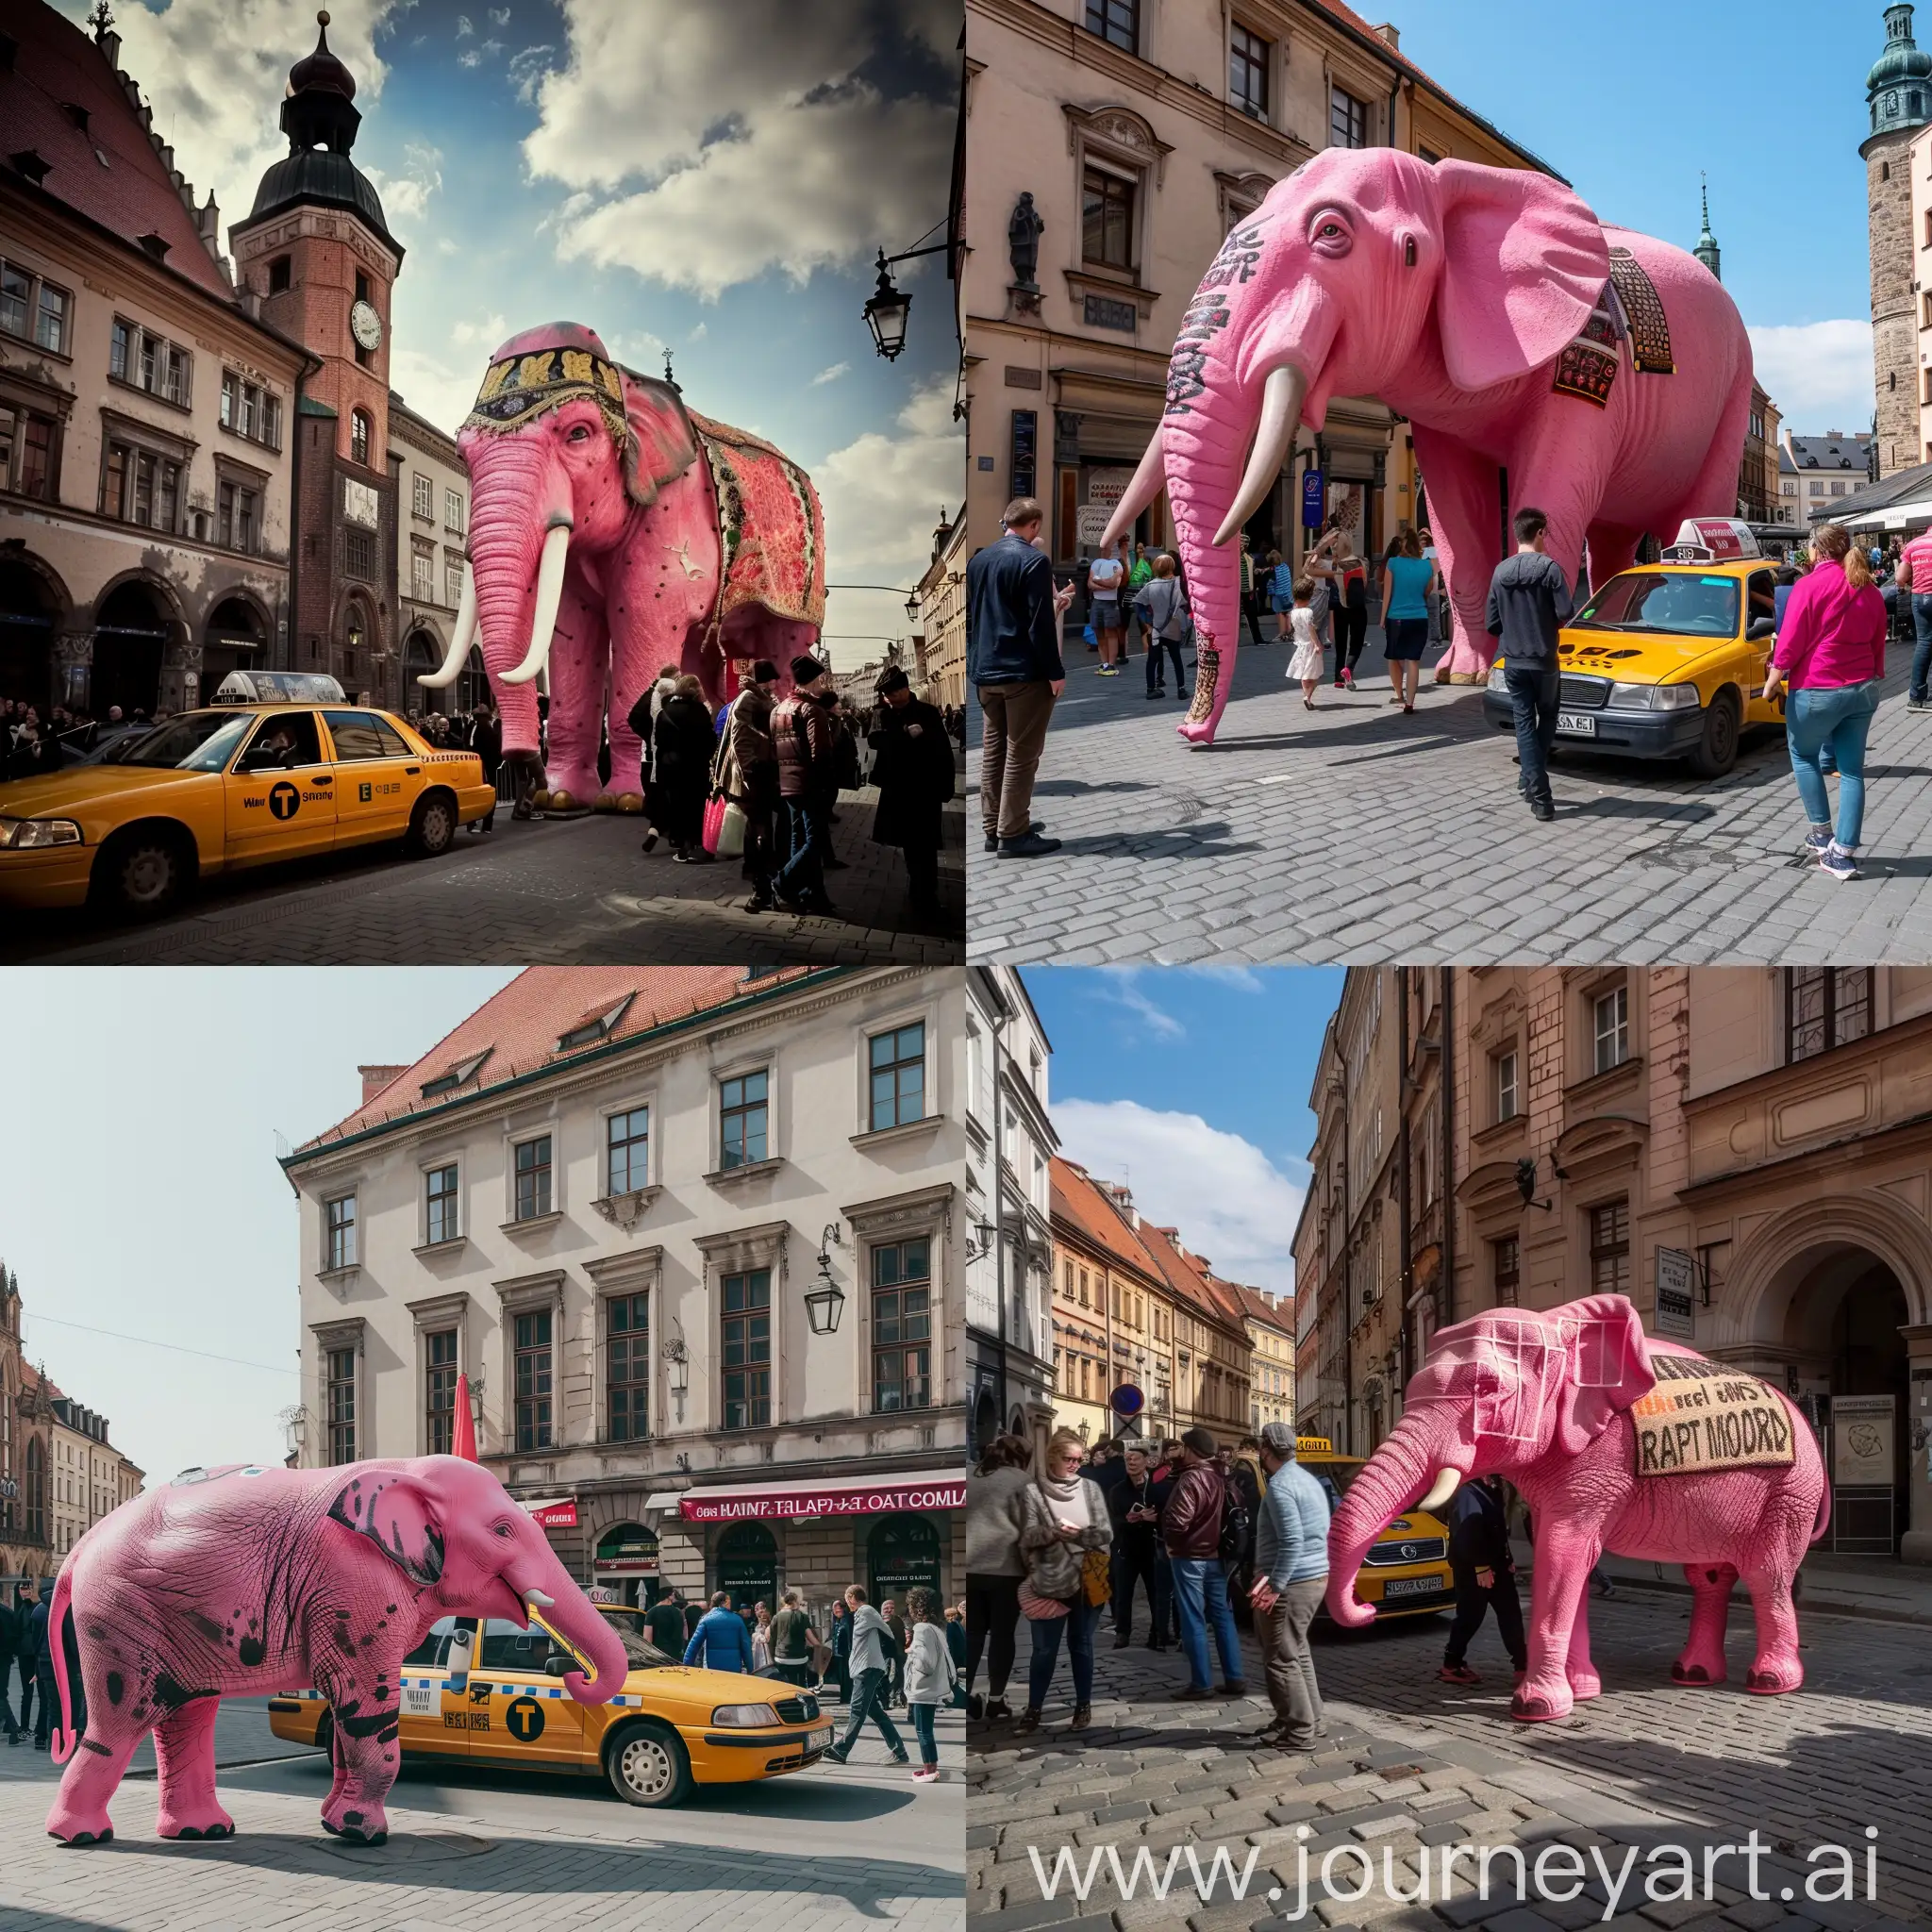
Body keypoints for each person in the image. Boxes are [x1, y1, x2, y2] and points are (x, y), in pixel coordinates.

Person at [1762, 521, 1888, 881]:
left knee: (1803, 755)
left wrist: (1773, 681)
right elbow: (1878, 640)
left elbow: (1790, 641)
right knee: (1851, 771)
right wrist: (1876, 670)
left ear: (1816, 551)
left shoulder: (1808, 586)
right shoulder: (1869, 589)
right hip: (1862, 689)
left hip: (1818, 687)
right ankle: (1843, 852)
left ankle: (1822, 834)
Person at [966, 497, 1071, 858]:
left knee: (993, 752)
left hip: (985, 670)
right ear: (1035, 525)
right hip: (1023, 672)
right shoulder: (1033, 561)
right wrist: (1055, 673)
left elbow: (978, 618)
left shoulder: (978, 560)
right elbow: (1038, 624)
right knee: (1022, 755)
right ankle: (1014, 832)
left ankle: (993, 826)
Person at [1014, 1427, 1112, 1733]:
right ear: (1053, 1458)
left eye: (1079, 1460)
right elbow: (1026, 1536)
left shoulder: (1091, 1489)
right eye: (1069, 1459)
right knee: (1044, 1651)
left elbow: (1106, 1533)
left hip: (1086, 1579)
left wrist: (1079, 1534)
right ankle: (1034, 1709)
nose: (1075, 1465)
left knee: (1081, 1645)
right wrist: (1053, 1532)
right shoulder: (1034, 1493)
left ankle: (1083, 1707)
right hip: (1049, 1581)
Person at [1485, 507, 1574, 823]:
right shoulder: (1551, 570)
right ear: (1539, 533)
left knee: (1523, 722)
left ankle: (1530, 778)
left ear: (1516, 533)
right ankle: (1541, 796)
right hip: (1545, 659)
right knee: (1548, 714)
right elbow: (1566, 610)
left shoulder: (1500, 572)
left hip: (1513, 660)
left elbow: (1491, 623)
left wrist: (1513, 624)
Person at [1248, 1424, 1329, 1752]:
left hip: (1293, 1581)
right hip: (1312, 1577)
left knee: (1282, 1658)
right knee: (1298, 1654)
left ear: (1265, 1450)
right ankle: (1311, 1720)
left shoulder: (1281, 1486)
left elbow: (1292, 1542)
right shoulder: (1306, 1479)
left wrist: (1275, 1585)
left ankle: (1299, 1731)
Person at [1161, 1427, 1244, 1700]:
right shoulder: (1222, 1475)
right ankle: (1234, 1677)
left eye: (1183, 1447)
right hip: (1218, 1557)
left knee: (1193, 1619)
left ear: (1191, 1448)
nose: (1179, 1451)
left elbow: (1177, 1522)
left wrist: (1167, 1537)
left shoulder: (1192, 1479)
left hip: (1190, 1557)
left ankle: (1201, 1683)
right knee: (1222, 1617)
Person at [867, 666, 954, 921]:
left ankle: (927, 896)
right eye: (886, 695)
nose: (889, 698)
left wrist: (946, 785)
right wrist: (904, 734)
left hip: (925, 789)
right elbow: (874, 740)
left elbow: (943, 749)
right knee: (909, 845)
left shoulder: (927, 712)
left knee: (926, 846)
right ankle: (918, 893)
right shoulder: (882, 714)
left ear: (906, 689)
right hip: (897, 790)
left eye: (893, 693)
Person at [966, 1432, 1032, 1722]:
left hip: (968, 1567)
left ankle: (965, 1696)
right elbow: (1030, 1531)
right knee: (1003, 1636)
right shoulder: (1021, 1481)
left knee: (972, 1636)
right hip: (1006, 1569)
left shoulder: (968, 1474)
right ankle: (995, 1700)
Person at [1439, 1476, 1527, 1688]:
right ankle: (1452, 1664)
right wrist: (1481, 1567)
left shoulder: (1493, 1487)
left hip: (1497, 1567)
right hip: (1475, 1569)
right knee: (1470, 1617)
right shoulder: (1467, 1491)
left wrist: (1508, 1559)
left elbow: (1497, 1528)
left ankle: (1522, 1664)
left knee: (1511, 1614)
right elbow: (1467, 1533)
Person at [773, 656, 842, 913]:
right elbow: (821, 754)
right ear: (815, 679)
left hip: (787, 784)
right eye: (821, 678)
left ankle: (810, 893)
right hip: (810, 784)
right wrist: (825, 785)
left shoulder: (779, 708)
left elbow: (773, 748)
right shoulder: (813, 710)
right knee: (814, 842)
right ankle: (782, 883)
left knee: (797, 837)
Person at [717, 659, 782, 911]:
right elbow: (741, 740)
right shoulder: (748, 699)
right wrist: (751, 771)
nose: (775, 685)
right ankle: (759, 890)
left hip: (760, 775)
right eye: (772, 680)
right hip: (751, 779)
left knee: (761, 833)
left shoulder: (757, 697)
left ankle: (764, 886)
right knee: (758, 834)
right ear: (763, 680)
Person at [824, 1586, 910, 1765]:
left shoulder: (866, 1611)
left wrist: (883, 1651)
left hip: (867, 1667)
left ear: (851, 1597)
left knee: (856, 1709)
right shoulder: (861, 1613)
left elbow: (886, 1630)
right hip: (865, 1667)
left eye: (847, 1598)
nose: (846, 1602)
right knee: (875, 1712)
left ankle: (842, 1749)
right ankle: (899, 1751)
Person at [646, 673, 715, 863]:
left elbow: (659, 740)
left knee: (677, 806)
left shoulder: (667, 710)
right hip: (695, 767)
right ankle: (694, 845)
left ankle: (680, 845)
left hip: (671, 767)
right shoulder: (700, 711)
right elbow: (709, 740)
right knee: (695, 806)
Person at [1106, 1444, 1168, 1649]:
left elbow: (1166, 1518)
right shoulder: (1117, 1491)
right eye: (1128, 1460)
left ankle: (1157, 1634)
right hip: (1127, 1548)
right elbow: (1112, 1521)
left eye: (1135, 1459)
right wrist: (1129, 1520)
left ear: (1146, 1462)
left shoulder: (1157, 1488)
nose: (1131, 1463)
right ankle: (1122, 1633)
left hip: (1152, 1548)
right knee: (1123, 1594)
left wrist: (1155, 1520)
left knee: (1155, 1593)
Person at [1381, 527, 1437, 712]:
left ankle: (1398, 693)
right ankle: (1410, 703)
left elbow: (1387, 594)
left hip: (1396, 617)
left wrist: (1382, 619)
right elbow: (1427, 592)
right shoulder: (1427, 566)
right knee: (1413, 661)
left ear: (1402, 543)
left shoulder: (1393, 563)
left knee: (1394, 657)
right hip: (1420, 617)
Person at [901, 1586, 953, 1783]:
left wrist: (911, 1650)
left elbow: (926, 1662)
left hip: (922, 1688)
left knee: (923, 1731)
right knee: (926, 1730)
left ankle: (929, 1769)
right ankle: (931, 1766)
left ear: (916, 1606)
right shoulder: (937, 1628)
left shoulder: (921, 1629)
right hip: (933, 1687)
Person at [1136, 555, 1190, 700]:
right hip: (1173, 628)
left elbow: (1138, 604)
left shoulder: (1150, 585)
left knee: (1152, 660)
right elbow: (1186, 604)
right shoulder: (1179, 584)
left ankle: (1150, 688)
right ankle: (1181, 689)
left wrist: (1147, 622)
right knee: (1176, 659)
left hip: (1156, 629)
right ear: (1171, 567)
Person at [682, 1591, 755, 1673]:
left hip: (712, 1669)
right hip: (734, 1668)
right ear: (726, 1602)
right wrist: (750, 1668)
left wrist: (687, 1668)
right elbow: (746, 1647)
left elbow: (693, 1646)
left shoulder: (706, 1620)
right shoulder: (737, 1620)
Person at [1088, 538, 1127, 675]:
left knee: (1110, 632)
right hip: (1097, 602)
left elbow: (1114, 583)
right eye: (1102, 548)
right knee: (1099, 632)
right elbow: (1090, 584)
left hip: (1110, 603)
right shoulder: (1096, 563)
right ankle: (1104, 663)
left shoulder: (1117, 564)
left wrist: (1098, 582)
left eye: (1107, 547)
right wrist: (1105, 584)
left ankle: (1111, 664)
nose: (1104, 550)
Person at [1333, 547, 1370, 687]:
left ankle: (1338, 678)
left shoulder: (1337, 564)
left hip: (1340, 605)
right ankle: (1348, 668)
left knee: (1340, 642)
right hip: (1357, 606)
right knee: (1357, 642)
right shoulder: (1360, 563)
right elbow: (1364, 584)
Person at [464, 699, 502, 834]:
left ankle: (472, 823)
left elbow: (469, 745)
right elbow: (496, 748)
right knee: (490, 792)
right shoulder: (489, 727)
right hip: (489, 766)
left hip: (475, 765)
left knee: (473, 794)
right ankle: (487, 825)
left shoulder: (473, 727)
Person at [1286, 577, 1323, 708]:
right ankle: (1308, 697)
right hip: (1310, 646)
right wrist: (1317, 644)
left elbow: (1291, 628)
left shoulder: (1293, 613)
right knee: (1315, 675)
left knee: (1304, 673)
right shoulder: (1308, 612)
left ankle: (1306, 695)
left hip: (1300, 646)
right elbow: (1311, 629)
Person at [769, 1589, 816, 1689]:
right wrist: (819, 1646)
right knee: (800, 1686)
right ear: (795, 1601)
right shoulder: (802, 1616)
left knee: (783, 1685)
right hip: (799, 1658)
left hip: (781, 1658)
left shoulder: (776, 1617)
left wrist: (772, 1656)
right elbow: (810, 1637)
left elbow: (770, 1636)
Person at [29, 1580, 53, 1751]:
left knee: (45, 1700)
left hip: (42, 1661)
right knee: (56, 1702)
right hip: (59, 1662)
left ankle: (40, 1735)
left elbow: (35, 1643)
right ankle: (52, 1735)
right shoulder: (61, 1609)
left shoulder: (37, 1611)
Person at [1238, 532, 1265, 646]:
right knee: (1235, 618)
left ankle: (1258, 639)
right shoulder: (1233, 557)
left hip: (1248, 591)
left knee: (1252, 616)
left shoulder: (1249, 558)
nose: (1241, 546)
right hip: (1236, 592)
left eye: (1243, 544)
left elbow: (1251, 573)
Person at [0, 1587, 19, 1744]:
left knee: (0, 1695)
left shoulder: (4, 1614)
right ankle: (9, 1726)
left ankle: (12, 1727)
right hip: (5, 1659)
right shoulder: (8, 1613)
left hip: (2, 1658)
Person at [883, 1596, 908, 1706]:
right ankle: (889, 1698)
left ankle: (898, 1697)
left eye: (891, 1608)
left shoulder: (897, 1620)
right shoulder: (878, 1621)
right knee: (887, 1676)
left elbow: (902, 1637)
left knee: (898, 1676)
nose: (889, 1610)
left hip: (898, 1653)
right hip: (884, 1654)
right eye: (886, 1608)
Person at [646, 1590, 687, 1657]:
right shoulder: (678, 1612)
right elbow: (684, 1633)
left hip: (658, 1653)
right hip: (676, 1652)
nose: (675, 1598)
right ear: (669, 1596)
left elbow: (647, 1637)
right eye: (673, 1595)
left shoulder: (651, 1612)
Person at [828, 1597, 854, 1703]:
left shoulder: (848, 1620)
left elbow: (850, 1636)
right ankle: (844, 1697)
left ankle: (847, 1697)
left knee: (847, 1676)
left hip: (846, 1653)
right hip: (837, 1654)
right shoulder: (836, 1622)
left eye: (839, 1610)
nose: (837, 1612)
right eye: (835, 1611)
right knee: (841, 1677)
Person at [751, 1601, 774, 1673]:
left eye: (763, 1611)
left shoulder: (772, 1625)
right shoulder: (754, 1626)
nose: (763, 1615)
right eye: (757, 1611)